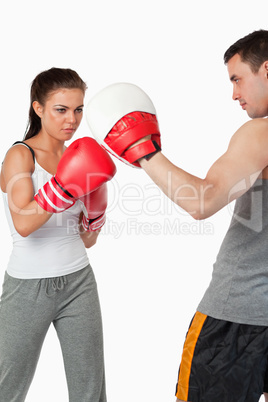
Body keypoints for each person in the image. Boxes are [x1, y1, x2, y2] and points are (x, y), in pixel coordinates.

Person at [85, 30, 268, 401]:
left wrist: (145, 152)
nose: (234, 93)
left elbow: (202, 201)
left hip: (238, 319)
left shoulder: (261, 134)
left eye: (237, 79)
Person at [0, 67, 116, 402]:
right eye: (61, 110)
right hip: (27, 287)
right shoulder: (20, 156)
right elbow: (23, 223)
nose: (72, 119)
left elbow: (86, 240)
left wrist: (95, 217)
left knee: (90, 388)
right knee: (8, 385)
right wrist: (66, 186)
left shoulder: (77, 156)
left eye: (78, 109)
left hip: (78, 280)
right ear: (38, 108)